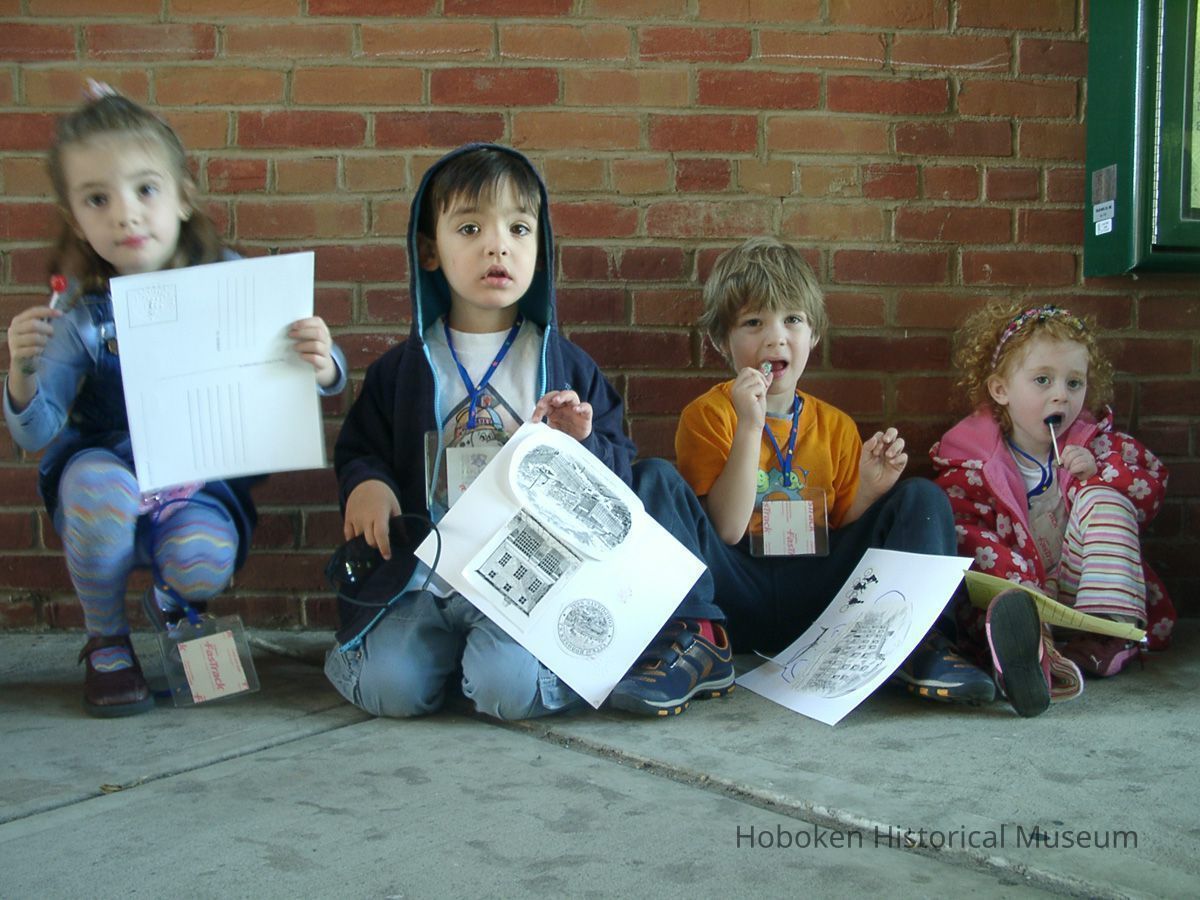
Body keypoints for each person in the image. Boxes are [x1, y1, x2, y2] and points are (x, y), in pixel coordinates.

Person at [324, 143, 729, 721]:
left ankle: (493, 667)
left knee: (506, 691)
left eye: (518, 229)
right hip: (424, 577)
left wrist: (583, 445)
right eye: (470, 228)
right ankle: (424, 660)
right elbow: (362, 448)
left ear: (540, 251)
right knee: (392, 689)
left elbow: (619, 479)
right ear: (429, 250)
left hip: (528, 581)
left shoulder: (565, 366)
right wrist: (368, 484)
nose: (498, 246)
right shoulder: (405, 367)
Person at [3, 84, 346, 718]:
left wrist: (323, 362)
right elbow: (37, 430)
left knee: (204, 559)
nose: (126, 215)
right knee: (100, 486)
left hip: (194, 485)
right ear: (76, 220)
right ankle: (107, 640)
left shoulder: (233, 285)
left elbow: (306, 372)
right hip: (105, 481)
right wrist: (23, 374)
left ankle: (173, 604)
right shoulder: (81, 321)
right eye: (98, 199)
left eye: (145, 189)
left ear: (184, 197)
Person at [654, 236, 995, 708]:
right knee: (654, 478)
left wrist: (869, 490)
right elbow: (727, 530)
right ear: (720, 340)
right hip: (734, 591)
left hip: (823, 600)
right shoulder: (708, 415)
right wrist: (749, 425)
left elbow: (840, 526)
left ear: (813, 335)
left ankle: (919, 643)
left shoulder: (835, 426)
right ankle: (697, 639)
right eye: (753, 322)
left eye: (792, 320)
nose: (776, 337)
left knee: (922, 497)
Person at [931, 302, 1175, 716]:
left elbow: (1150, 489)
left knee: (1105, 498)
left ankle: (1107, 634)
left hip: (1083, 587)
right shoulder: (974, 462)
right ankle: (1031, 657)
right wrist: (1023, 589)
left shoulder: (1097, 445)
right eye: (1042, 380)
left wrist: (1098, 473)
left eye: (1074, 382)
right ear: (1001, 390)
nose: (1061, 394)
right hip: (1021, 592)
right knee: (972, 541)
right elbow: (964, 526)